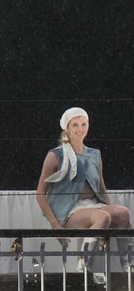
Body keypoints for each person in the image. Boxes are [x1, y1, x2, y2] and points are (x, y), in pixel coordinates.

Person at [35, 107, 130, 260]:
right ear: (67, 127)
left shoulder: (94, 154)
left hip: (94, 205)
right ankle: (83, 262)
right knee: (102, 217)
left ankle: (127, 262)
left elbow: (101, 187)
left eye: (84, 124)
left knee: (122, 212)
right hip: (69, 211)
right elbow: (40, 193)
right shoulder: (56, 155)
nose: (80, 129)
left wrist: (112, 212)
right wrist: (55, 225)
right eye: (75, 125)